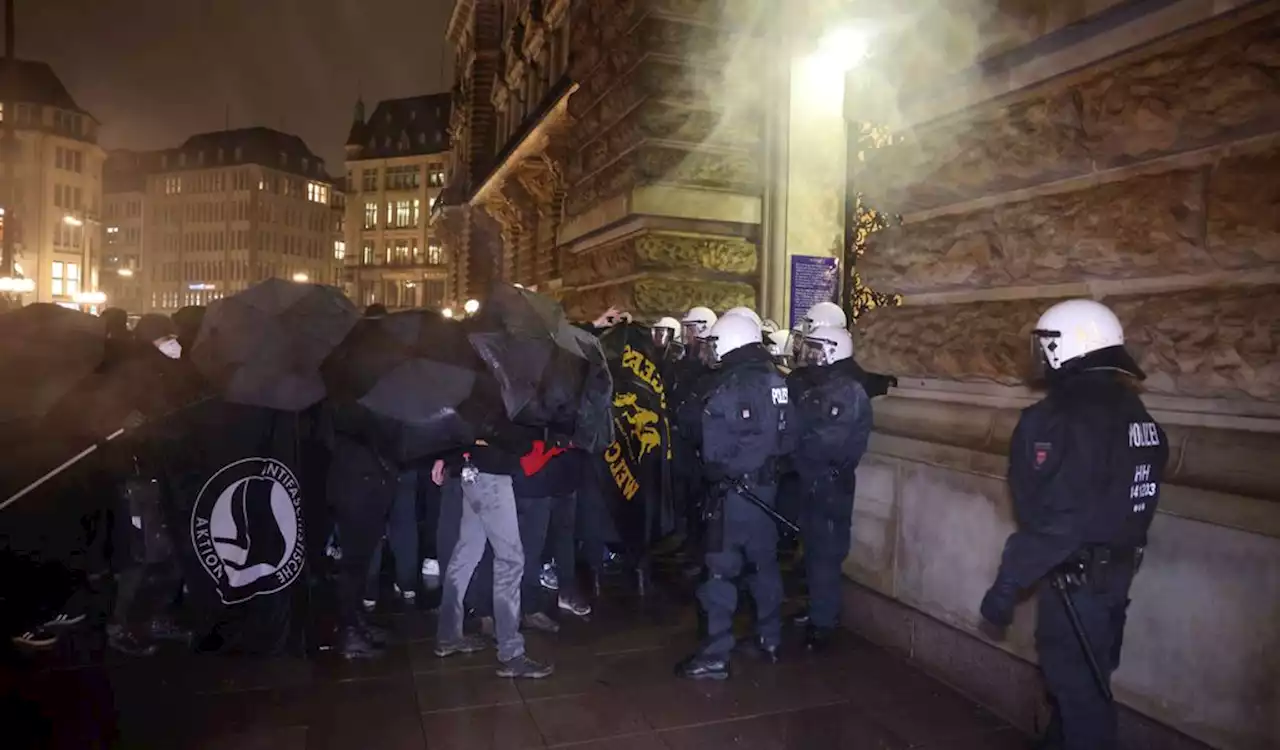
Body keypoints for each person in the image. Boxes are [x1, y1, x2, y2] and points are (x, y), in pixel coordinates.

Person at [979, 299, 1167, 750]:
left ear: (1071, 348)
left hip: (1075, 578)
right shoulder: (1137, 417)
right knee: (1087, 679)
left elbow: (1058, 517)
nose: (1041, 356)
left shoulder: (1060, 418)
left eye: (1048, 346)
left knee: (1079, 693)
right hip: (1115, 573)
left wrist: (1007, 585)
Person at [676, 313, 793, 680]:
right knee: (763, 565)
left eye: (714, 342)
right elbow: (791, 437)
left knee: (720, 572)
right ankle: (769, 637)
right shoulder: (777, 378)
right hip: (767, 490)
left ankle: (715, 653)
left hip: (733, 493)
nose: (711, 350)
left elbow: (713, 449)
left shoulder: (730, 384)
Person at [431, 436, 554, 679]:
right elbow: (515, 440)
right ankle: (511, 653)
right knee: (510, 561)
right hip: (491, 476)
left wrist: (446, 457)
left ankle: (448, 635)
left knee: (466, 553)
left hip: (472, 472)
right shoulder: (498, 400)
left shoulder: (473, 400)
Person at [787, 325, 871, 651]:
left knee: (826, 553)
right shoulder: (822, 387)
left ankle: (824, 622)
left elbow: (825, 442)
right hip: (813, 480)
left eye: (816, 349)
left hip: (830, 483)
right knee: (813, 550)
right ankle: (818, 608)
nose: (809, 356)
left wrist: (792, 449)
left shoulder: (846, 392)